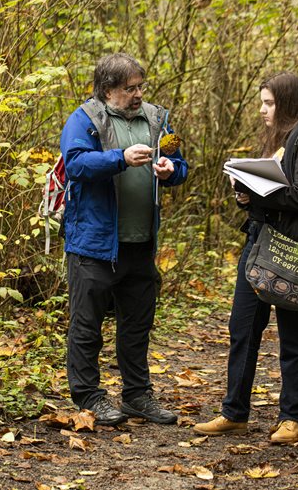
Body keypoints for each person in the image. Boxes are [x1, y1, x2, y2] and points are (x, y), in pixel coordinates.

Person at [193, 71, 298, 443]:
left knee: (292, 334)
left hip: (294, 251)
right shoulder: (281, 138)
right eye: (262, 102)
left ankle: (293, 418)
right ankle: (234, 413)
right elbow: (274, 190)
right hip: (260, 244)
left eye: (269, 103)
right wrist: (245, 192)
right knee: (242, 328)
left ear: (287, 103)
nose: (262, 110)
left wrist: (257, 194)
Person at [59, 53, 188, 426]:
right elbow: (76, 165)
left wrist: (170, 171)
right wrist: (120, 158)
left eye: (140, 86)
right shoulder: (85, 119)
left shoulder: (155, 118)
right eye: (129, 88)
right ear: (107, 90)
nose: (137, 94)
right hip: (95, 244)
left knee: (137, 326)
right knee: (87, 326)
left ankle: (136, 395)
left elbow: (179, 164)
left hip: (140, 243)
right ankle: (89, 397)